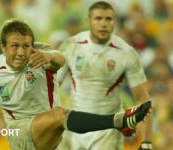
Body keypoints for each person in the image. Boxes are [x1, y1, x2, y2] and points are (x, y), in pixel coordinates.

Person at [0, 19, 151, 150]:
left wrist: (49, 57)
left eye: (25, 46)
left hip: (54, 134)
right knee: (59, 114)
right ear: (3, 47)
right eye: (14, 46)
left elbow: (59, 59)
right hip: (21, 134)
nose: (21, 52)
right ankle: (120, 121)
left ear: (32, 45)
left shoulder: (40, 53)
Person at [57, 1, 153, 150]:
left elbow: (143, 99)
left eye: (108, 19)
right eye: (98, 18)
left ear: (114, 21)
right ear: (88, 21)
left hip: (107, 133)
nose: (103, 24)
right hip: (74, 130)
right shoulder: (71, 45)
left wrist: (147, 141)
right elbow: (52, 85)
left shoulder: (126, 53)